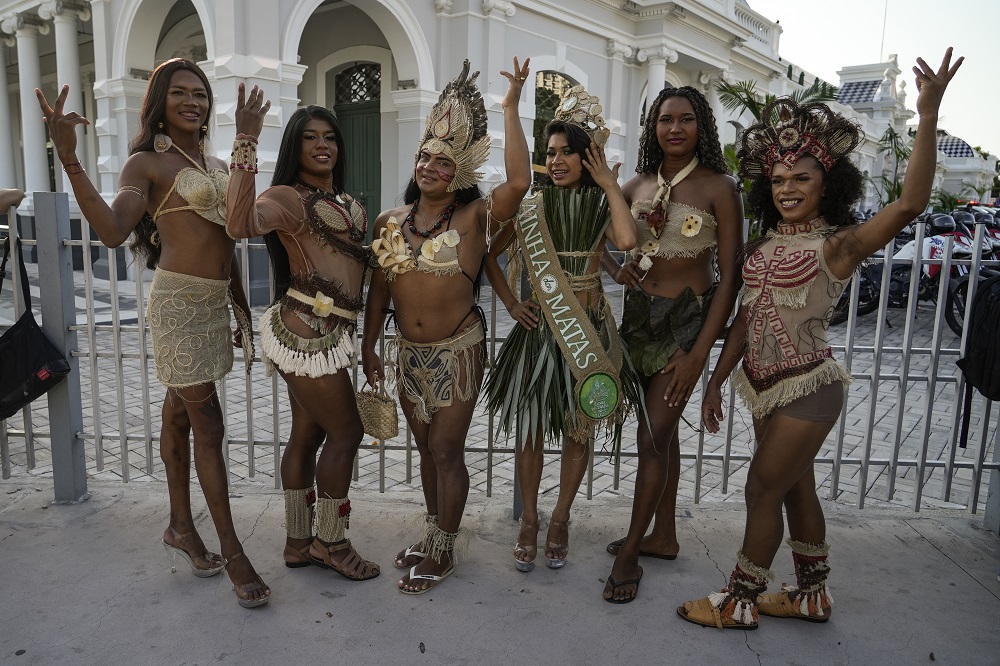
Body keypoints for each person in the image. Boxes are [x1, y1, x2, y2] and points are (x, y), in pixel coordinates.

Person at [678, 49, 962, 629]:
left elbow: (910, 204)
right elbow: (742, 319)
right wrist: (714, 382)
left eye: (801, 178)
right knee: (793, 492)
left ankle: (740, 600)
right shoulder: (761, 247)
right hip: (760, 390)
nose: (787, 187)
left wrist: (927, 114)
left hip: (807, 388)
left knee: (761, 488)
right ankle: (811, 594)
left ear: (826, 183)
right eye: (778, 179)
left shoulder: (838, 245)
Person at [35, 59, 270, 608]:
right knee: (207, 423)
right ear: (160, 101)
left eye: (202, 95)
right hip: (179, 305)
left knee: (178, 412)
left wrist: (238, 306)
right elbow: (115, 231)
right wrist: (69, 158)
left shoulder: (212, 162)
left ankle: (181, 527)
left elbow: (228, 236)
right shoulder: (146, 164)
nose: (194, 102)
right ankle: (233, 550)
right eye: (181, 93)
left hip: (213, 303)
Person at [362, 57, 531, 594]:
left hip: (458, 351)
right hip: (406, 354)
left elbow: (522, 181)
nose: (430, 166)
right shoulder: (391, 221)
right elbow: (379, 291)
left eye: (443, 160)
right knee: (422, 448)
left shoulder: (476, 216)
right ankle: (434, 534)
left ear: (459, 169)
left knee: (445, 450)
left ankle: (445, 551)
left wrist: (509, 109)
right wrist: (369, 347)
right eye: (424, 156)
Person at [484, 85, 641, 575]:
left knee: (580, 428)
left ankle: (561, 518)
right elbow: (489, 255)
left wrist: (611, 187)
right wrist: (511, 303)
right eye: (549, 152)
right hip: (540, 329)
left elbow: (623, 239)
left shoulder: (600, 203)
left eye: (566, 152)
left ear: (586, 155)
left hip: (587, 328)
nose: (555, 160)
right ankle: (528, 520)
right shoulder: (531, 206)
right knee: (529, 432)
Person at [226, 92, 379, 582]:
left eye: (330, 137)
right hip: (305, 332)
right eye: (310, 137)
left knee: (310, 433)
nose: (322, 145)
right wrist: (246, 138)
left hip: (334, 332)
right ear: (295, 145)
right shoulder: (287, 197)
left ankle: (297, 541)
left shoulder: (346, 201)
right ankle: (331, 543)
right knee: (347, 432)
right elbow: (237, 222)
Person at [600, 87, 743, 603]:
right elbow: (604, 242)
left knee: (653, 435)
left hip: (686, 325)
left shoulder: (719, 187)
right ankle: (664, 535)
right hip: (638, 322)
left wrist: (700, 353)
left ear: (702, 126)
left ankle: (631, 552)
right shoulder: (635, 184)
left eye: (686, 119)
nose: (675, 128)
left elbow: (729, 279)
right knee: (664, 435)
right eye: (665, 120)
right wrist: (619, 272)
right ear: (652, 127)